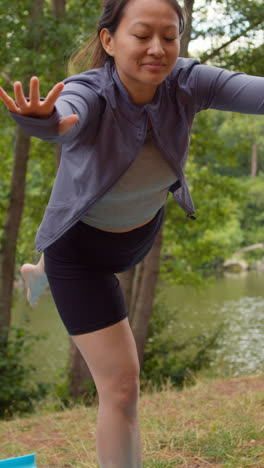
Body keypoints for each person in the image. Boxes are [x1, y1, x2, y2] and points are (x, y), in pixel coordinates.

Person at [1, 0, 264, 466]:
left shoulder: (188, 82)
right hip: (78, 254)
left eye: (169, 35)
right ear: (109, 40)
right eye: (142, 35)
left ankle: (35, 270)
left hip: (136, 237)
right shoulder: (90, 91)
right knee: (122, 388)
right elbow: (65, 112)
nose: (157, 49)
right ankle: (45, 266)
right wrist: (43, 120)